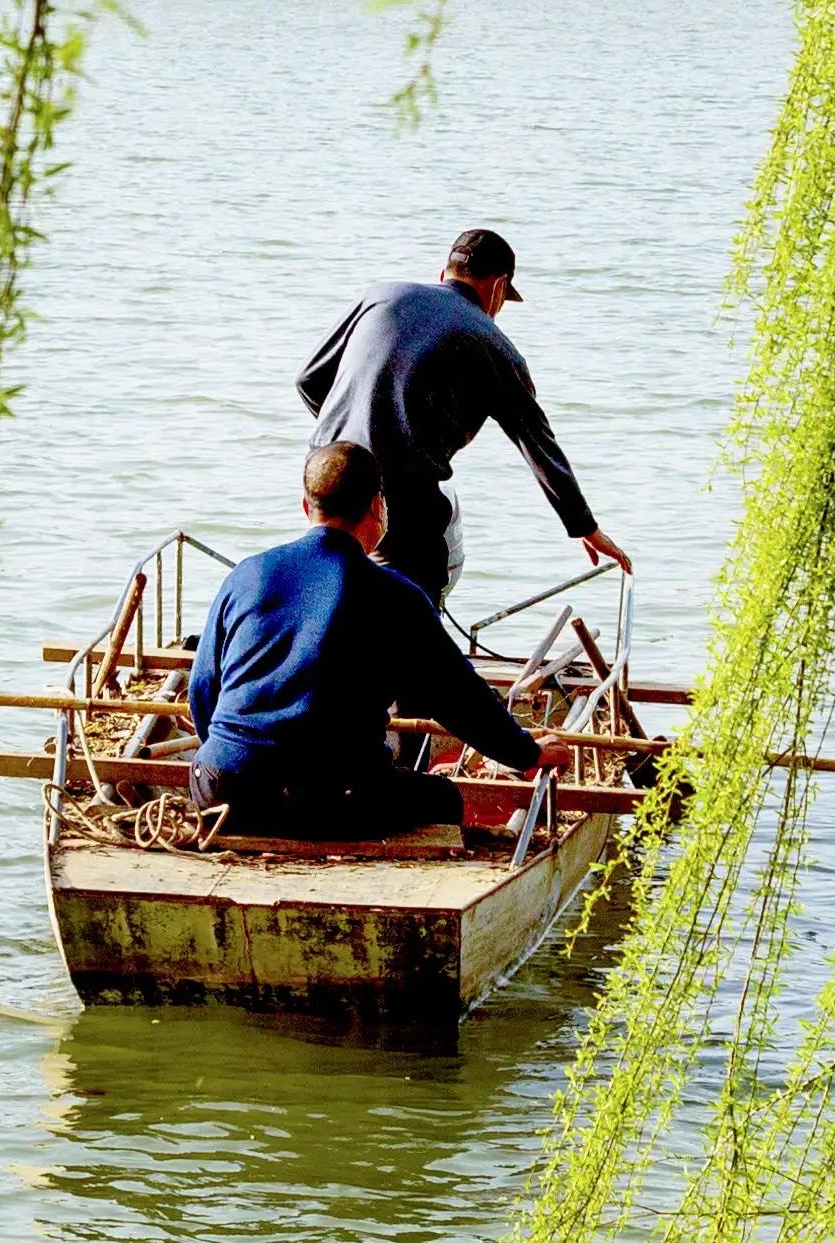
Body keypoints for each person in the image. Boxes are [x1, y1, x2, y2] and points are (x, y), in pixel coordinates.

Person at [187, 440, 553, 838]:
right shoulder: (398, 597)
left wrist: (234, 760)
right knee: (443, 798)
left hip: (219, 788)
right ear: (379, 507)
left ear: (306, 506)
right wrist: (526, 753)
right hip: (333, 799)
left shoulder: (246, 575)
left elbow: (203, 688)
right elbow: (459, 699)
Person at [295, 226, 630, 600]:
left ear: (443, 274)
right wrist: (584, 527)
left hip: (324, 474)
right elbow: (538, 445)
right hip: (401, 491)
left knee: (328, 577)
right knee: (413, 594)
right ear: (499, 287)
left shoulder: (382, 295)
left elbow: (308, 379)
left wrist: (352, 434)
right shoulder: (495, 346)